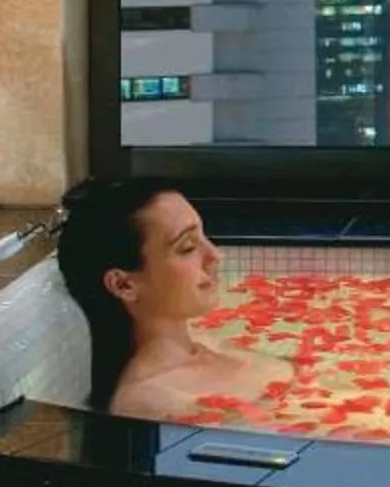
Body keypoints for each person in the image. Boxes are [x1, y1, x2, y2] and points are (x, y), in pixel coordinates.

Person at [55, 176, 291, 421]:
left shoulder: (203, 342)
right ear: (123, 285)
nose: (214, 255)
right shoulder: (150, 400)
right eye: (187, 247)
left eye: (203, 236)